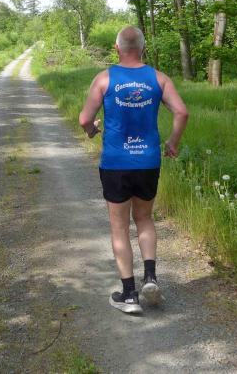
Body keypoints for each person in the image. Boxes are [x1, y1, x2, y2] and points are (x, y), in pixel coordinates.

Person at [79, 26, 188, 314]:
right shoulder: (159, 79)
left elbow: (85, 119)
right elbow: (182, 112)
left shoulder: (104, 79)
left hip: (115, 163)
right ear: (142, 48)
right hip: (148, 161)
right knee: (144, 219)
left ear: (117, 49)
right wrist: (173, 143)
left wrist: (92, 130)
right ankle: (150, 277)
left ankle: (129, 295)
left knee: (119, 227)